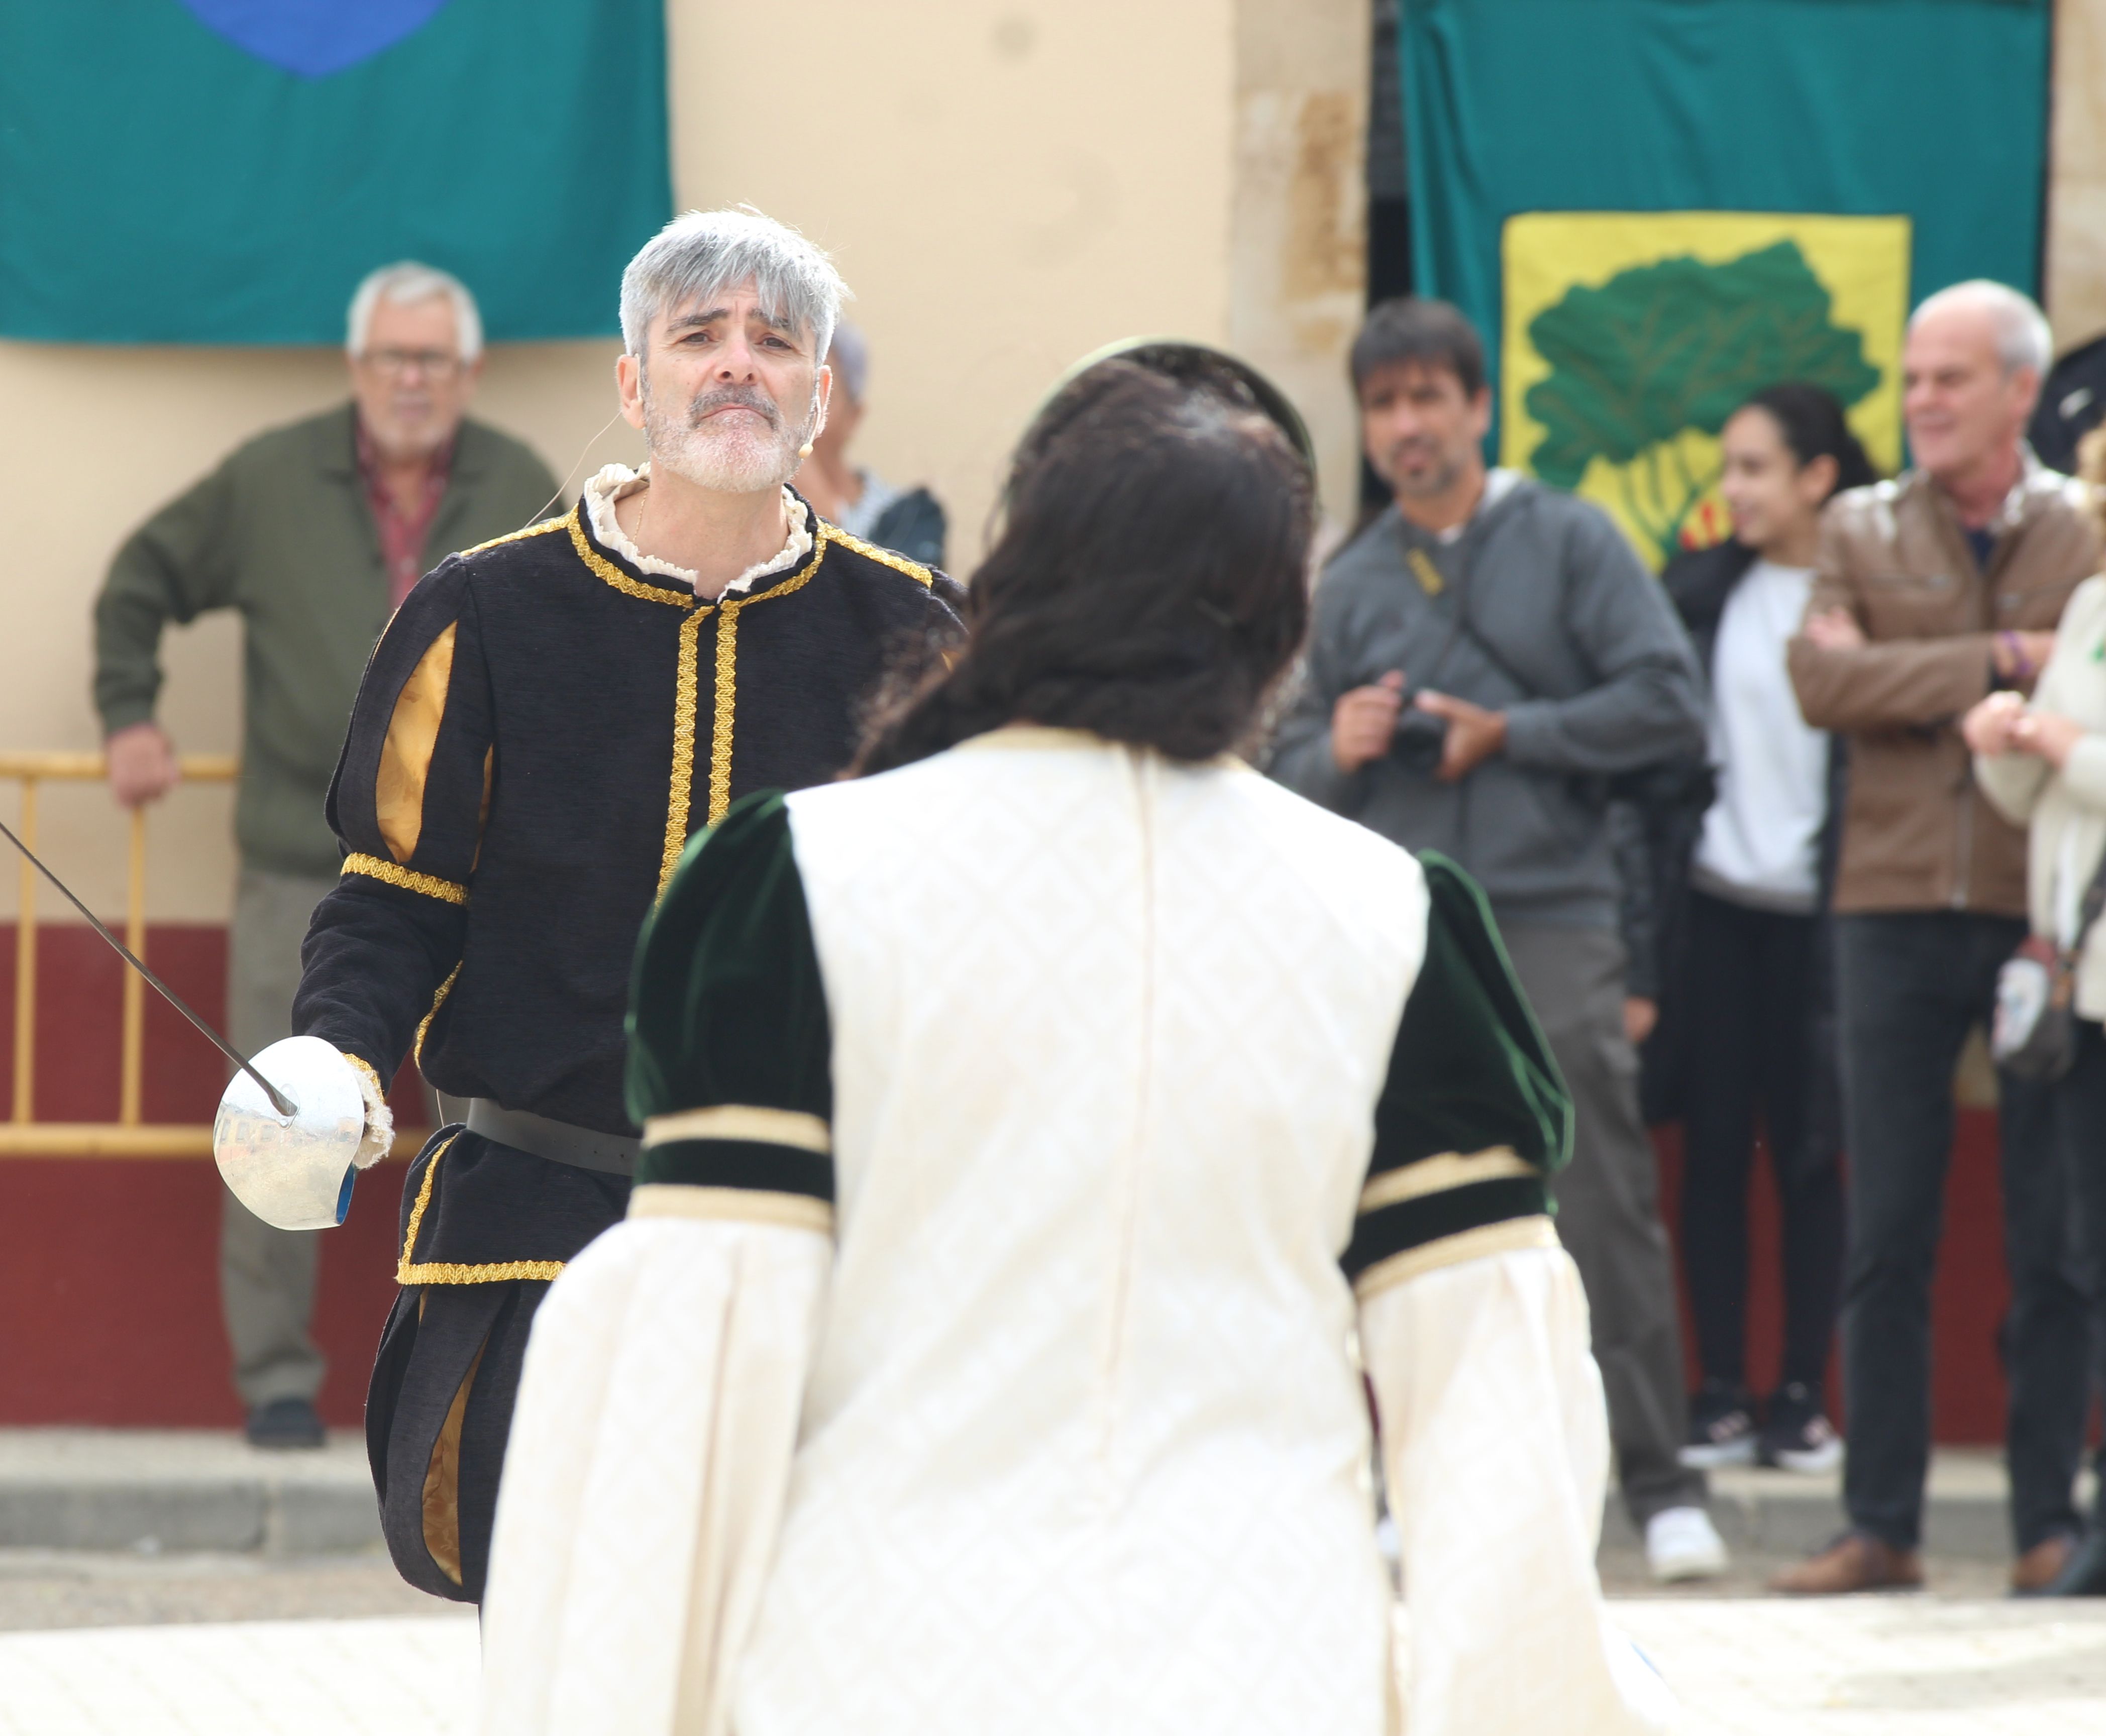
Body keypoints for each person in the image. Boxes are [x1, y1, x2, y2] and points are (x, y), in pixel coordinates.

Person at [477, 348, 1672, 1735]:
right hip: (1270, 1665)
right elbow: (1496, 1420)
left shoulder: (790, 885)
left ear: (1014, 577)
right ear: (1284, 617)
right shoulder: (1399, 924)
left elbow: (690, 1385)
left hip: (878, 1664)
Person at [288, 209, 958, 1601]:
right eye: (698, 336)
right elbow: (397, 895)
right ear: (634, 382)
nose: (738, 368)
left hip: (819, 1249)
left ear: (819, 394)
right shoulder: (484, 613)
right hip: (536, 1233)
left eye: (776, 343)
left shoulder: (917, 642)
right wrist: (336, 1051)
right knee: (559, 1648)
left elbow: (973, 945)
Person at [1266, 297, 1724, 1583]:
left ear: (1477, 405)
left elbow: (1664, 705)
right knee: (1404, 1207)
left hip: (1554, 917)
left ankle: (1660, 1481)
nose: (1408, 427)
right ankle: (1418, 1473)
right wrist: (1337, 748)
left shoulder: (1572, 540)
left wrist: (1508, 734)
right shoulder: (1347, 578)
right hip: (1399, 927)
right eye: (1384, 405)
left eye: (1429, 398)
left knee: (1601, 1199)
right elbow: (1272, 769)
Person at [93, 261, 557, 1449]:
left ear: (470, 373)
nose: (413, 381)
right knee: (280, 1116)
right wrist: (130, 711)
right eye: (392, 359)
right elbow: (138, 578)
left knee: (484, 1131)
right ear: (356, 368)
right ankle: (278, 1380)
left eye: (435, 361)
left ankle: (479, 1367)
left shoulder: (519, 482)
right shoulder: (269, 476)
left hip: (480, 879)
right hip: (299, 866)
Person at [1780, 280, 2101, 1597]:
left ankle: (2045, 1520)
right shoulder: (1859, 525)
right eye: (1912, 379)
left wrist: (1905, 669)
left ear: (2022, 391)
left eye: (1950, 379)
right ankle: (1882, 1525)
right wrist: (1998, 659)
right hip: (1889, 912)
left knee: (2053, 1231)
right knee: (1889, 1225)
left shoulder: (2082, 533)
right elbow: (1820, 683)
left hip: (2042, 920)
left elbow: (1883, 680)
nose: (1921, 404)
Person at [1634, 385, 1873, 1476]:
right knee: (1718, 1151)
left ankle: (1800, 1399)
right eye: (1728, 468)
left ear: (1817, 476)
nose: (1733, 490)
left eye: (1755, 469)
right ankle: (1719, 1391)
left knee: (1815, 1154)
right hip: (1718, 914)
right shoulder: (1700, 595)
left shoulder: (1870, 596)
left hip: (1828, 920)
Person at [1965, 424, 2106, 1599]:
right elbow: (2037, 795)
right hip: (2076, 975)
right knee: (2078, 1244)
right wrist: (2002, 740)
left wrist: (2062, 739)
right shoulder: (2090, 608)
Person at [790, 321, 947, 566]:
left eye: (817, 393)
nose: (799, 412)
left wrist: (821, 518)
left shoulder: (911, 516)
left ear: (854, 416)